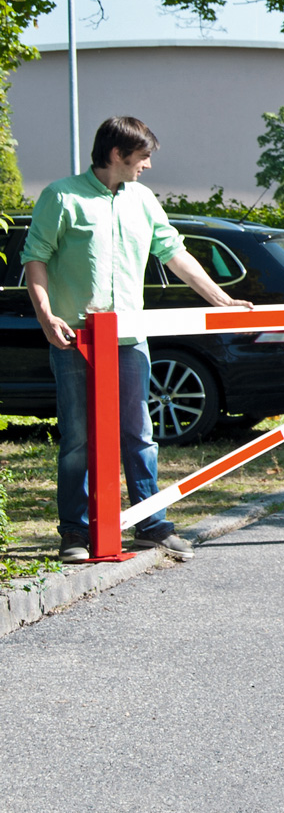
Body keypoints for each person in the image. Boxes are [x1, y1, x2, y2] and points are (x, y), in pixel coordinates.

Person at [21, 116, 252, 563]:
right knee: (77, 439)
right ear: (116, 155)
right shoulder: (61, 196)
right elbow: (35, 258)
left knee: (139, 433)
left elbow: (175, 253)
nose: (147, 165)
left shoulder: (144, 200)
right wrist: (47, 317)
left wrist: (221, 299)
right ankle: (75, 532)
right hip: (76, 339)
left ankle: (151, 524)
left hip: (129, 338)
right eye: (143, 156)